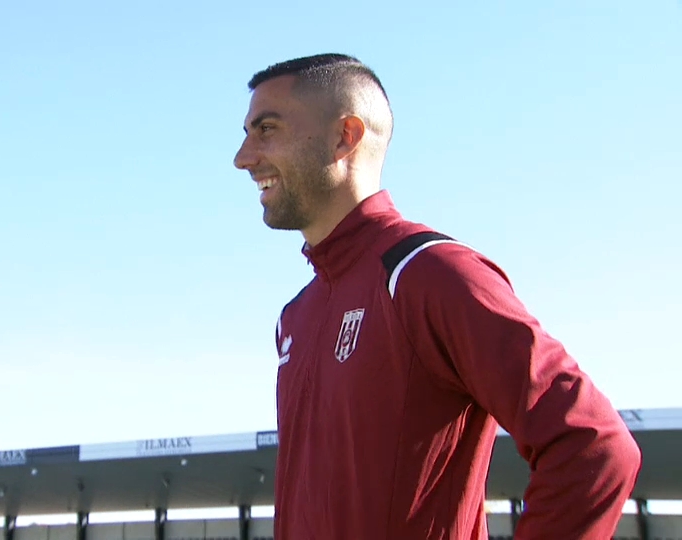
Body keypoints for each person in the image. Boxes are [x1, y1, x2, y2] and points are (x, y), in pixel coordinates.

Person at [233, 53, 642, 539]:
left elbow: (594, 446)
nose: (243, 157)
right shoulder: (296, 315)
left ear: (346, 136)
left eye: (267, 130)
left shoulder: (429, 273)